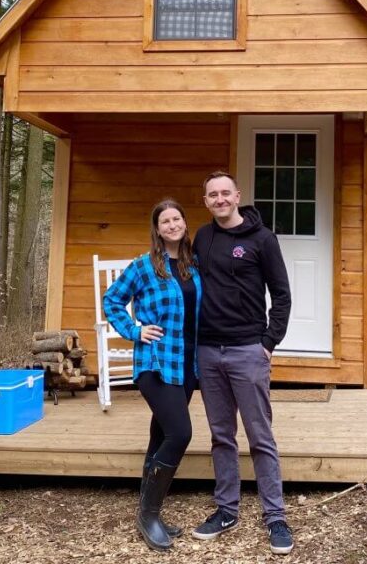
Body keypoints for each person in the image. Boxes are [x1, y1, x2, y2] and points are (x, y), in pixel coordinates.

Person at [191, 171, 294, 555]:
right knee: (221, 435)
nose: (219, 199)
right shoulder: (203, 237)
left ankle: (276, 516)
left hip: (248, 350)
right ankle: (226, 509)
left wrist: (268, 342)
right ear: (206, 201)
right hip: (208, 351)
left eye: (225, 193)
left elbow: (281, 295)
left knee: (260, 436)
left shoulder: (262, 239)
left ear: (238, 196)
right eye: (212, 194)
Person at [102, 199, 203, 552]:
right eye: (165, 221)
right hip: (156, 363)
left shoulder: (194, 265)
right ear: (157, 229)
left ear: (185, 224)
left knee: (160, 434)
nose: (172, 225)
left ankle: (147, 511)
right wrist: (133, 330)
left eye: (177, 218)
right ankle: (149, 514)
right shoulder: (144, 267)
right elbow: (112, 300)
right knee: (180, 433)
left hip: (188, 364)